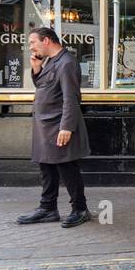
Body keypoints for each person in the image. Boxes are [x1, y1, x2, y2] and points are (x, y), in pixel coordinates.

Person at [17, 27, 91, 228]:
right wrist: (36, 69)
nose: (30, 46)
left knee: (67, 167)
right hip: (45, 125)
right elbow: (44, 86)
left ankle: (80, 209)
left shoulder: (66, 62)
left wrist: (66, 127)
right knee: (46, 167)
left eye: (33, 42)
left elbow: (71, 97)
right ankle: (48, 208)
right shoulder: (51, 61)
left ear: (47, 40)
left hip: (58, 124)